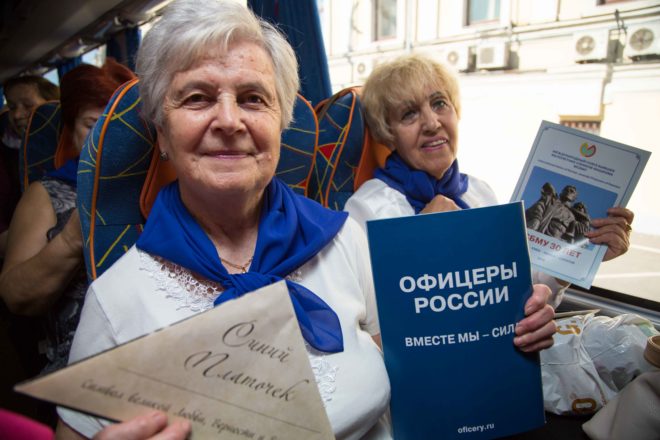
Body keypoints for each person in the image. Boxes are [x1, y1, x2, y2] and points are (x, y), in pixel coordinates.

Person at [54, 2, 553, 439]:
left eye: (253, 98)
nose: (229, 121)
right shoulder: (118, 301)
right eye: (197, 98)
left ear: (281, 124)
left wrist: (506, 325)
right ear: (161, 132)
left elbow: (414, 351)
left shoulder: (342, 240)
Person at [344, 53, 634, 308]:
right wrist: (422, 241)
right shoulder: (367, 210)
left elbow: (514, 293)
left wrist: (579, 256)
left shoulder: (479, 193)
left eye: (440, 103)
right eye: (409, 114)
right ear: (387, 134)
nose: (432, 123)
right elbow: (375, 323)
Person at [0, 59, 135, 375]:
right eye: (92, 125)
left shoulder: (163, 186)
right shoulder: (46, 194)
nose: (106, 139)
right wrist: (73, 238)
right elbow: (17, 297)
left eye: (118, 126)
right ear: (71, 132)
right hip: (82, 363)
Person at [1, 76, 59, 240]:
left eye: (28, 106)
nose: (17, 115)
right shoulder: (4, 155)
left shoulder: (73, 147)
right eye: (12, 107)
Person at [526, 183, 591, 243]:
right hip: (540, 234)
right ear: (561, 193)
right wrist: (537, 219)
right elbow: (539, 206)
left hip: (557, 241)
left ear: (574, 198)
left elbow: (581, 234)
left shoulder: (573, 216)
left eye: (572, 191)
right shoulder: (550, 200)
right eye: (566, 190)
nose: (568, 191)